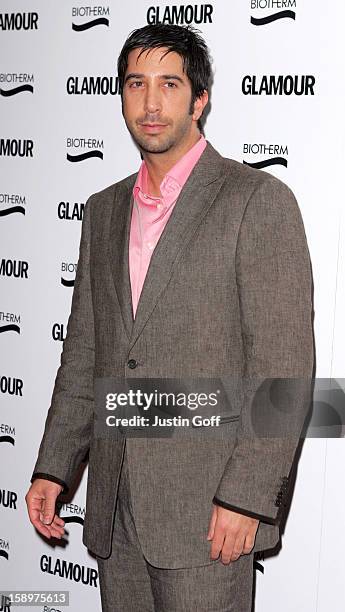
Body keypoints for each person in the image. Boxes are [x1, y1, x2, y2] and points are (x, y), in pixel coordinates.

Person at [26, 24, 314, 611]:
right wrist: (54, 467)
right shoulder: (102, 211)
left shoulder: (255, 200)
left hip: (210, 515)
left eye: (169, 84)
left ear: (199, 99)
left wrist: (246, 498)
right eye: (136, 84)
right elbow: (85, 354)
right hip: (117, 508)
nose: (151, 103)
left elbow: (283, 366)